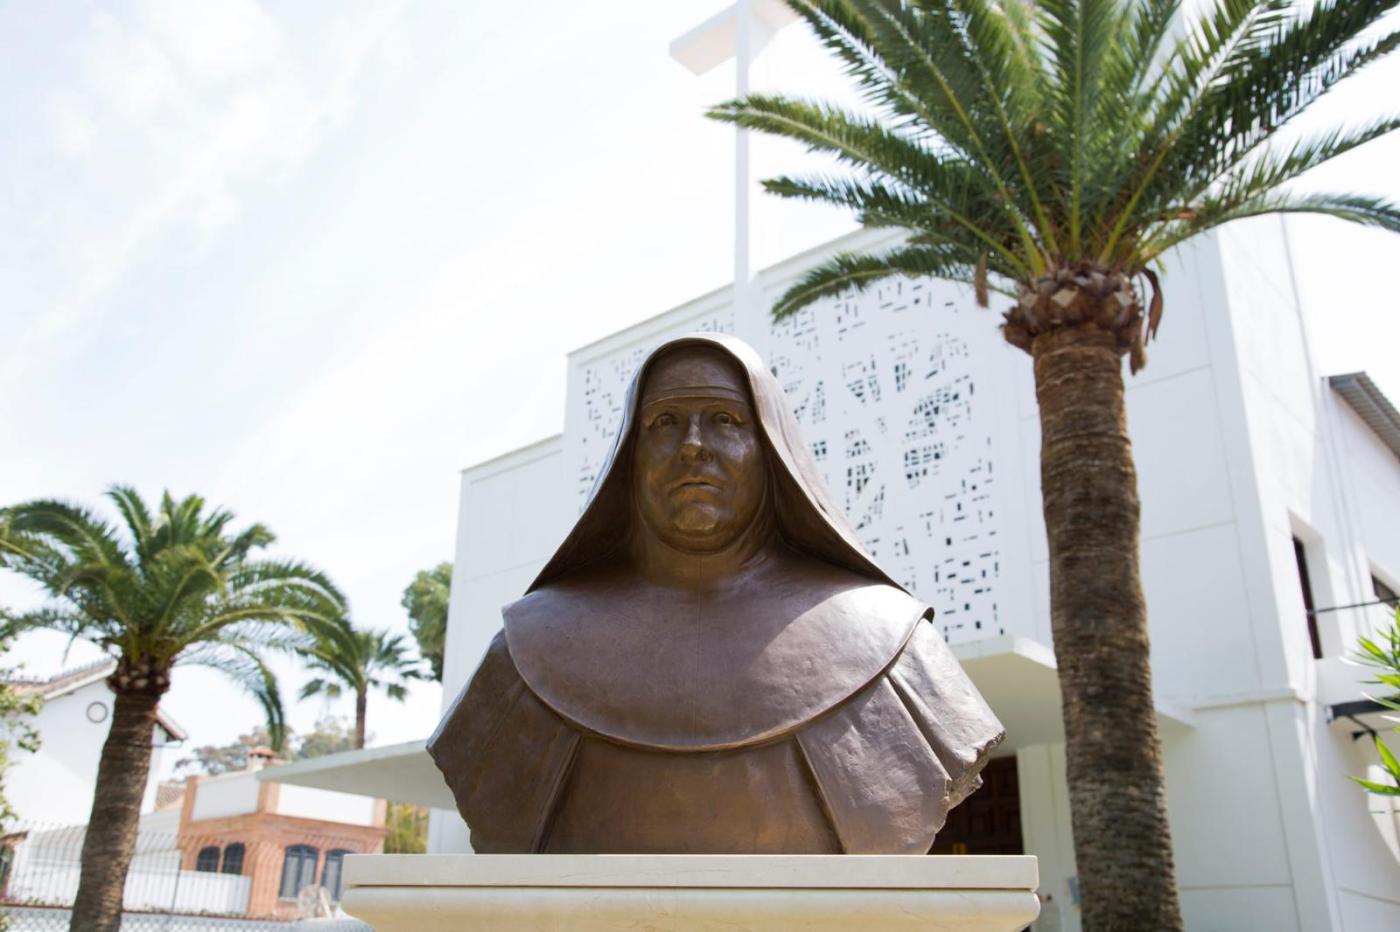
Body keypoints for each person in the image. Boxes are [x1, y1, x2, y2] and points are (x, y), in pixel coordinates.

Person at [429, 334, 1003, 853]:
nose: (694, 446)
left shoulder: (894, 644)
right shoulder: (527, 652)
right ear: (629, 458)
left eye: (726, 419)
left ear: (773, 450)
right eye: (664, 423)